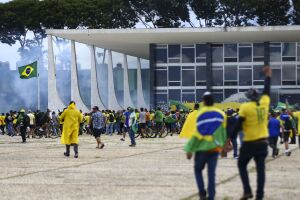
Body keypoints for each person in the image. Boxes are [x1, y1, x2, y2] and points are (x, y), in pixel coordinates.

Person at [225, 66, 272, 200]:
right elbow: (267, 91)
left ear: (249, 98)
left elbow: (238, 126)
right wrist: (268, 76)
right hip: (263, 143)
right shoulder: (264, 104)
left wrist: (229, 140)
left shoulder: (246, 107)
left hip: (250, 143)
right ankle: (259, 196)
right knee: (261, 171)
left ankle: (247, 190)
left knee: (241, 164)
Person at [180, 92, 227, 200]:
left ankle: (202, 192)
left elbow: (197, 133)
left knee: (197, 170)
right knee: (211, 174)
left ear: (204, 102)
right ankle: (211, 196)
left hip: (201, 149)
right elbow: (223, 133)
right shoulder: (221, 114)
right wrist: (224, 148)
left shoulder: (200, 114)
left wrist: (189, 149)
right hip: (214, 149)